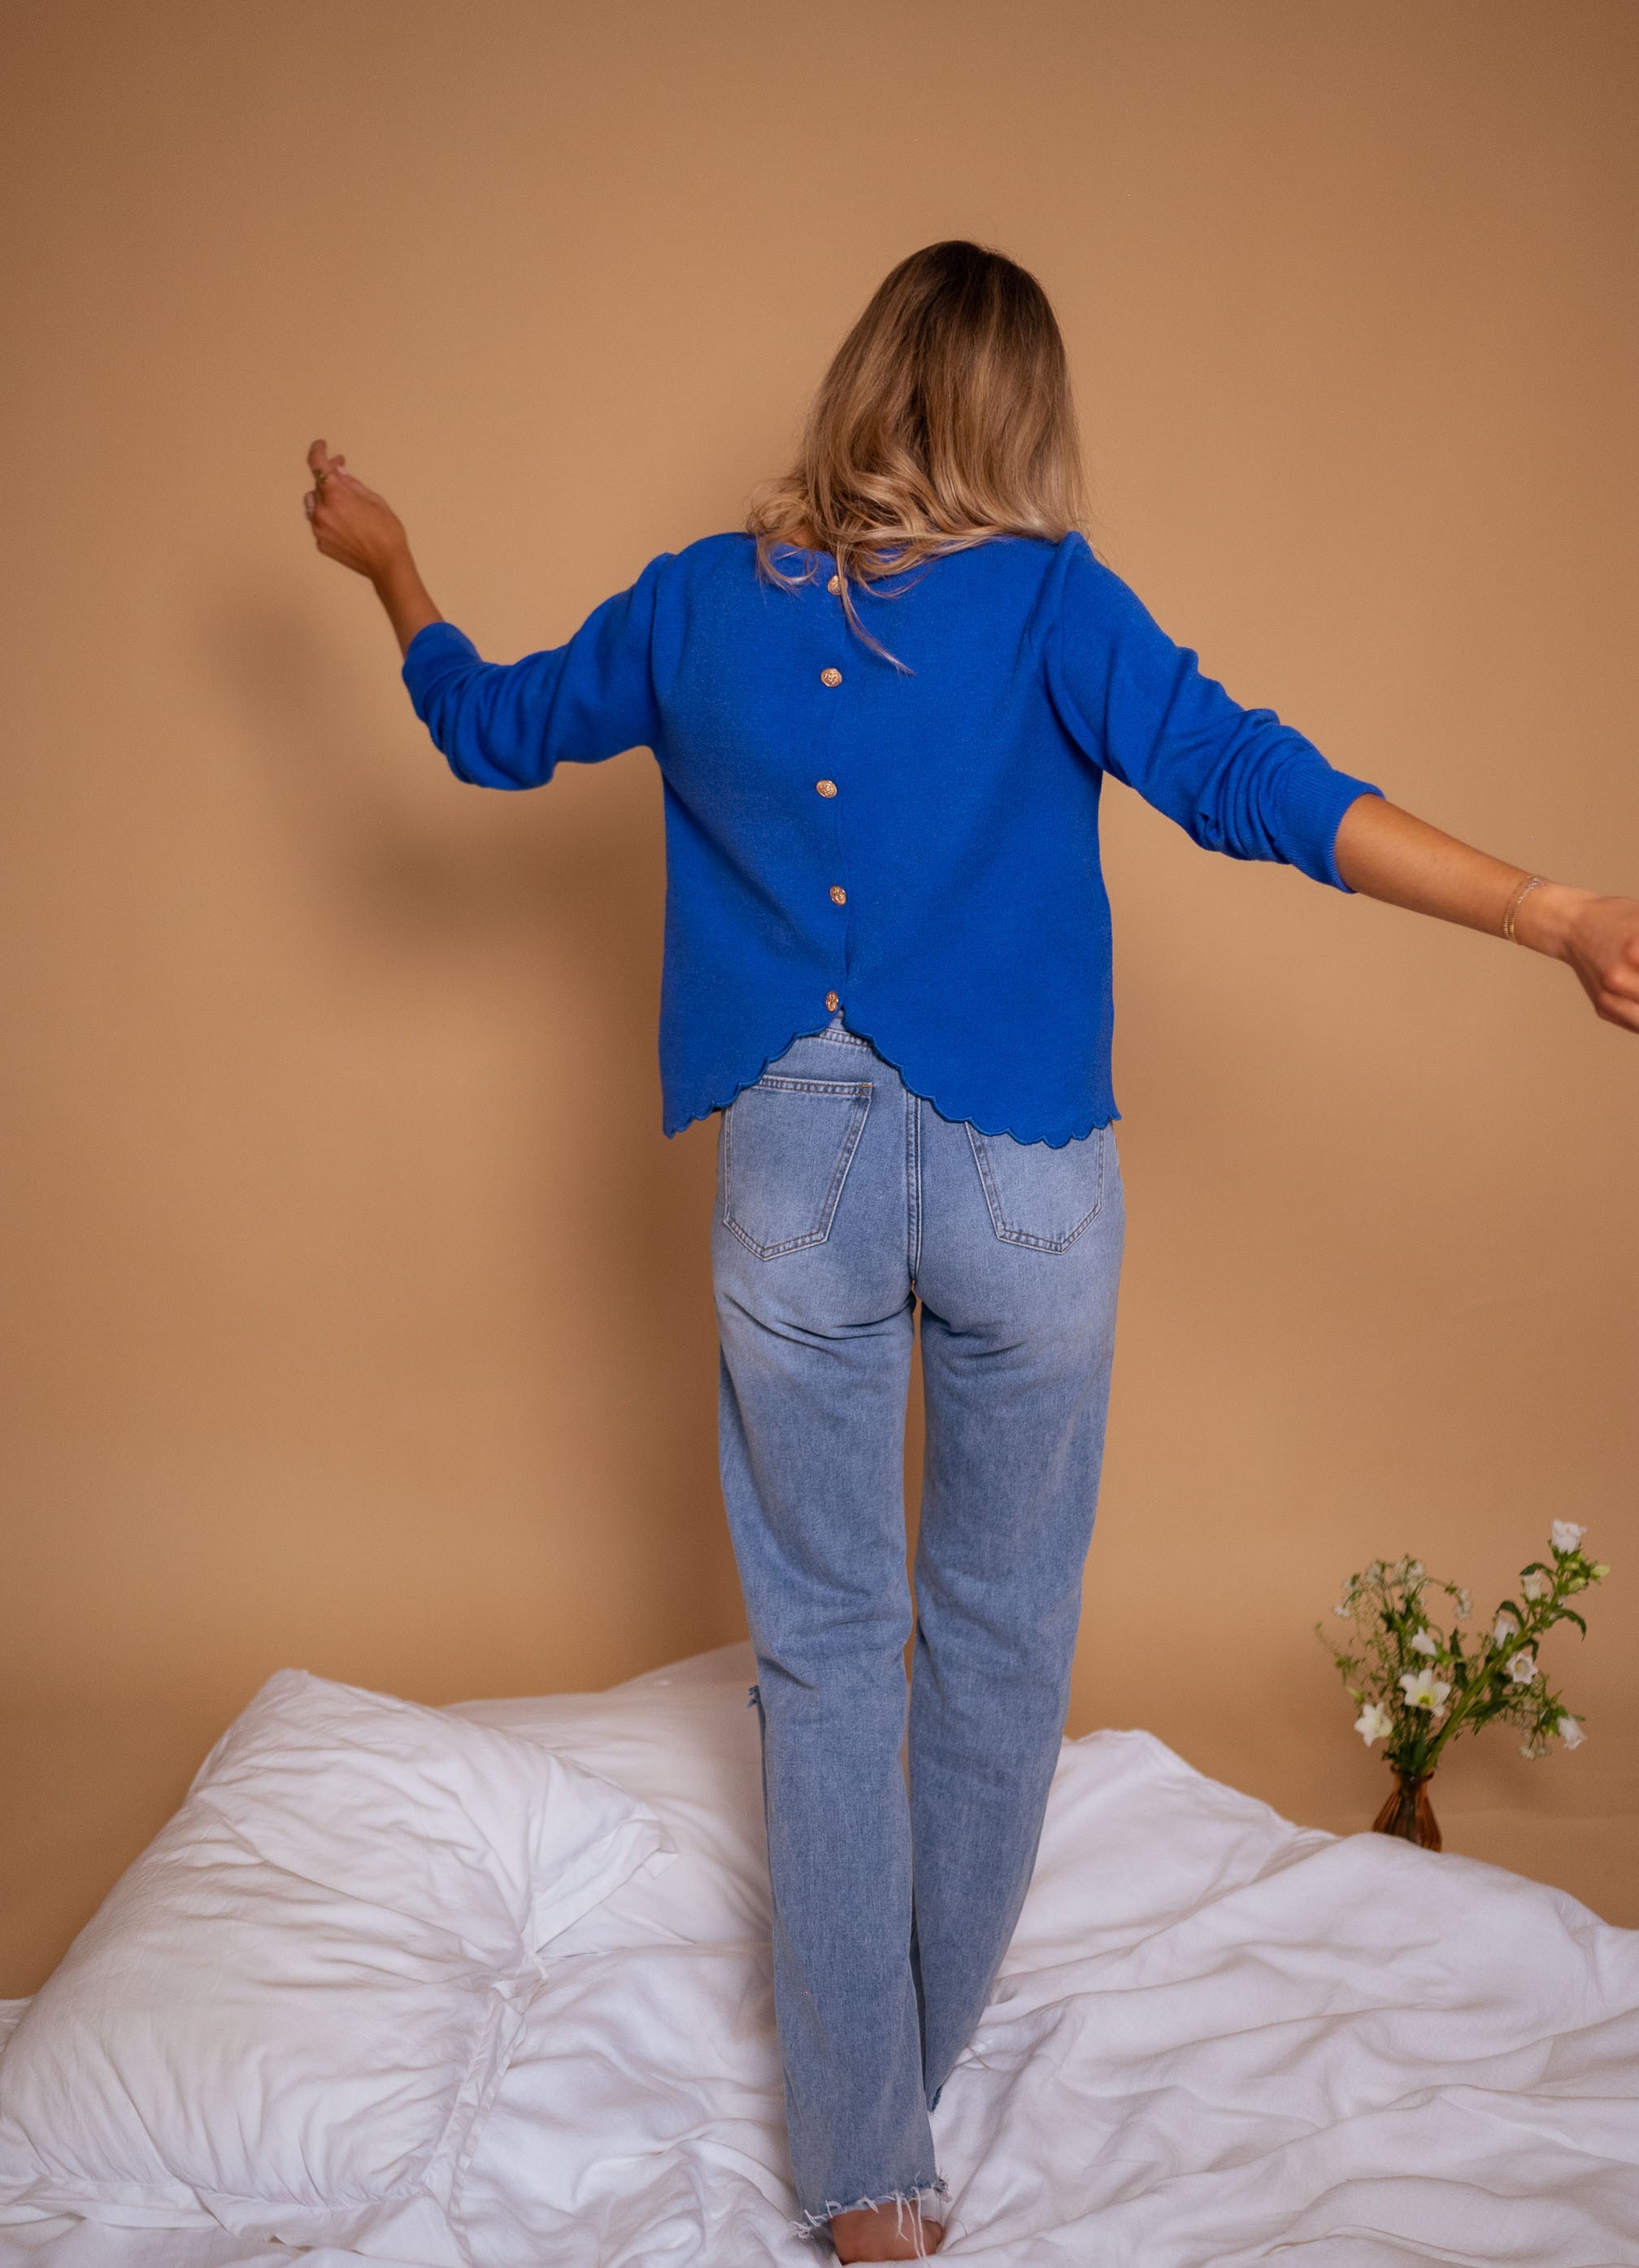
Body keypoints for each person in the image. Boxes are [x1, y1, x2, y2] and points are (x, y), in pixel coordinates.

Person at [302, 241, 1639, 2262]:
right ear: (1024, 412)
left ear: (859, 384)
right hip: (1033, 1185)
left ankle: (862, 2170)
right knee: (1001, 1642)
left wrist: (392, 568)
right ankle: (901, 2105)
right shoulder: (1053, 604)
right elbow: (1253, 782)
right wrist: (1548, 913)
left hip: (797, 1175)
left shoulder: (691, 604)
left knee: (831, 1658)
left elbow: (486, 732)